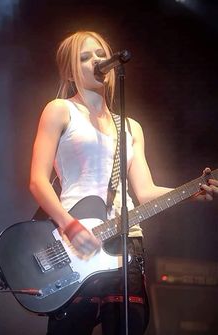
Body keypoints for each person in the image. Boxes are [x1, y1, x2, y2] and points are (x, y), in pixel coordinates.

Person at [29, 31, 218, 335]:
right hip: (74, 243)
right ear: (69, 70)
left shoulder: (130, 126)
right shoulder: (59, 110)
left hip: (128, 244)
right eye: (85, 57)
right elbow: (38, 181)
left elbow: (145, 192)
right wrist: (71, 226)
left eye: (101, 54)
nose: (97, 61)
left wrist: (193, 192)